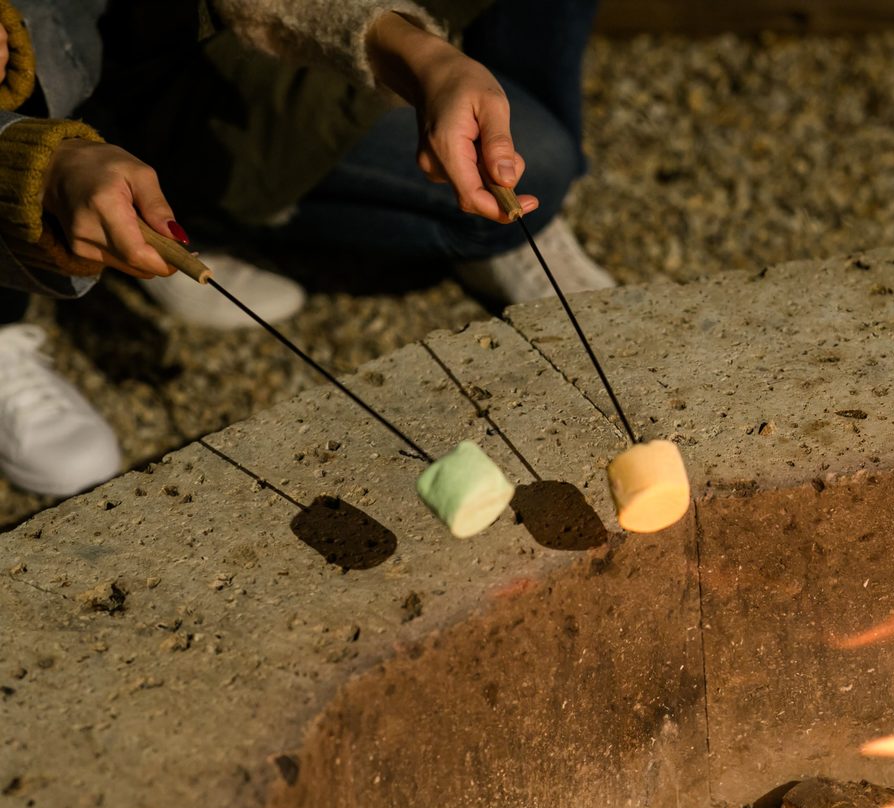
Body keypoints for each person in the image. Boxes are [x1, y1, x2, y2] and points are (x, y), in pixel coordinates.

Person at [0, 0, 613, 497]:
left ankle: (166, 208)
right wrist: (39, 167)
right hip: (46, 101)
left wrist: (409, 49)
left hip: (172, 46)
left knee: (541, 166)